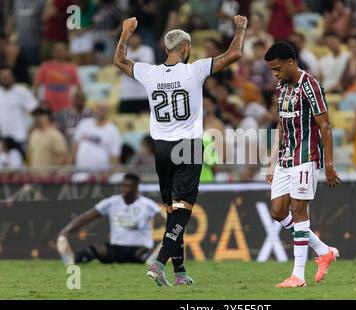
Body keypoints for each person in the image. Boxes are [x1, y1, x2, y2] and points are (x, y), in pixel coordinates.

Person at [114, 15, 248, 286]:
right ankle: (159, 263)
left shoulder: (149, 72)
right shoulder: (193, 70)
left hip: (161, 149)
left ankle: (181, 273)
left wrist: (126, 34)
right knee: (183, 210)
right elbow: (234, 54)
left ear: (166, 50)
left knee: (173, 212)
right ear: (186, 49)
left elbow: (119, 61)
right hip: (188, 146)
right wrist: (241, 28)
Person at [264, 42, 341, 288]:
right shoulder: (281, 87)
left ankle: (298, 276)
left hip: (305, 158)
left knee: (298, 212)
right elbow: (280, 125)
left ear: (290, 62)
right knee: (278, 212)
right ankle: (323, 251)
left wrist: (329, 163)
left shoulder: (311, 85)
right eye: (272, 70)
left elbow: (325, 125)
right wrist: (272, 160)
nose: (275, 74)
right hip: (285, 159)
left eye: (277, 68)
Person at [56, 173, 163, 265]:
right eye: (124, 186)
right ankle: (72, 258)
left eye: (129, 186)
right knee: (97, 248)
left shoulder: (148, 204)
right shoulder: (112, 202)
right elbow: (87, 217)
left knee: (144, 256)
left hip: (139, 248)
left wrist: (163, 230)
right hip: (116, 247)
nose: (126, 189)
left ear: (136, 188)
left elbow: (163, 221)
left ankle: (153, 259)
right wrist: (67, 230)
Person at [33, 42, 82, 112]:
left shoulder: (71, 68)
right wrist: (36, 102)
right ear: (52, 53)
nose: (59, 53)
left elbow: (79, 87)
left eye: (61, 51)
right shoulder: (45, 66)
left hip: (66, 106)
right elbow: (36, 84)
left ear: (66, 52)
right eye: (56, 51)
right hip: (48, 106)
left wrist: (76, 104)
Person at [71, 103, 122, 171]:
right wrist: (70, 166)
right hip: (80, 171)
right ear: (95, 109)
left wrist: (111, 172)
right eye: (99, 108)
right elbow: (75, 147)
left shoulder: (113, 130)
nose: (101, 110)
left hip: (101, 174)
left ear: (108, 111)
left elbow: (115, 155)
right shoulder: (84, 124)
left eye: (104, 108)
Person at [0, 67, 39, 148]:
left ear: (13, 77)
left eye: (7, 76)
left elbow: (36, 111)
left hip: (19, 137)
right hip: (2, 138)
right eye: (2, 76)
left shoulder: (22, 91)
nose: (5, 78)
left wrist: (31, 129)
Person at [118, 33, 155, 114]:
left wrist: (125, 65)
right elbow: (118, 70)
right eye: (131, 38)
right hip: (126, 95)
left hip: (143, 94)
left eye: (135, 37)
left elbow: (146, 69)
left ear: (140, 38)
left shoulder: (147, 50)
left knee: (145, 121)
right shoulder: (122, 51)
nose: (133, 39)